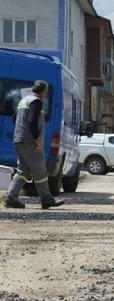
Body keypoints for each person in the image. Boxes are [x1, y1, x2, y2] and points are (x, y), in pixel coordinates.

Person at [3, 81, 66, 210]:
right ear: (43, 91)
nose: (46, 94)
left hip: (19, 140)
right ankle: (47, 200)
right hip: (30, 142)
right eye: (46, 91)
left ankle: (11, 198)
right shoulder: (36, 102)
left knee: (23, 170)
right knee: (40, 171)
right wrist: (37, 139)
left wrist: (21, 132)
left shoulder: (24, 100)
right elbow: (32, 121)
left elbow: (15, 118)